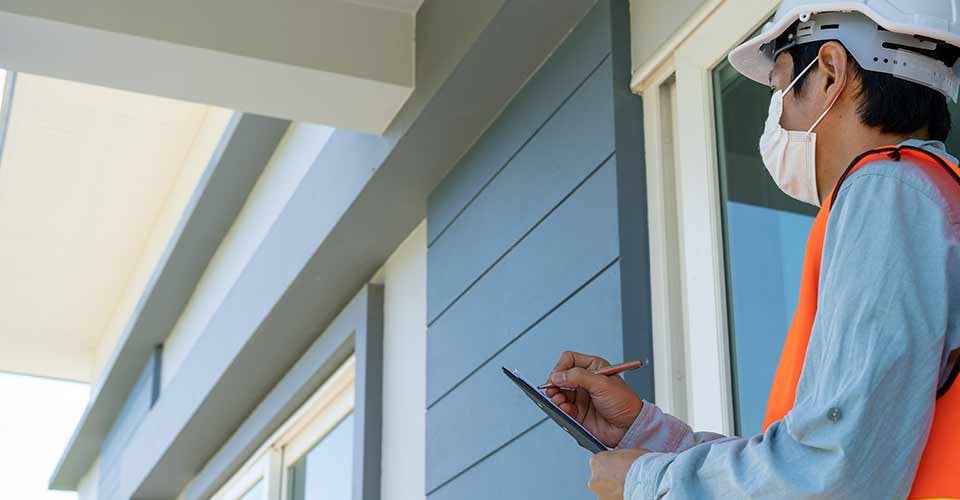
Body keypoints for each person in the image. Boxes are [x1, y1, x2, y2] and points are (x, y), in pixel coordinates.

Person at [546, 1, 960, 498]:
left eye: (779, 85)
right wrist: (644, 436)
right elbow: (815, 463)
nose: (778, 112)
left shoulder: (887, 192)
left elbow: (831, 474)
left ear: (830, 73)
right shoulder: (924, 195)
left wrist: (646, 482)